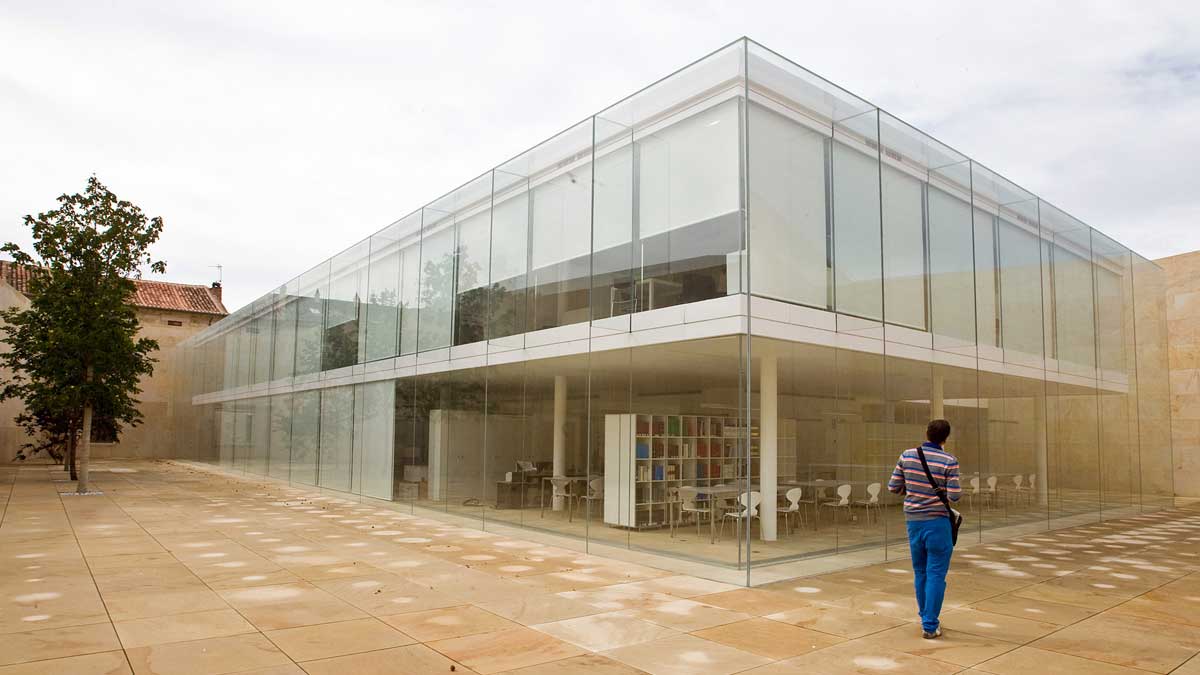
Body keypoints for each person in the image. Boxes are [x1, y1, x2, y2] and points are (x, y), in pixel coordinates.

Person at [888, 418, 961, 639]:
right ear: (946, 438)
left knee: (920, 571)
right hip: (937, 523)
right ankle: (929, 625)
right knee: (936, 573)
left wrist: (913, 491)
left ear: (927, 433)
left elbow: (893, 487)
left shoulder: (907, 455)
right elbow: (954, 496)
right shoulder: (949, 461)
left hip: (913, 522)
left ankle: (925, 616)